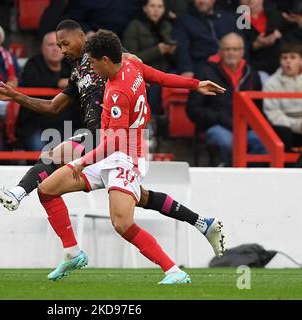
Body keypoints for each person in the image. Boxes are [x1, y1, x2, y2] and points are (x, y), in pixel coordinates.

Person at [0, 20, 226, 259]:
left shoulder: (104, 55)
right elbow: (53, 107)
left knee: (54, 155)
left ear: (81, 37)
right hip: (112, 146)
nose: (62, 50)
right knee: (142, 198)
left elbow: (139, 66)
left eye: (64, 43)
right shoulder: (77, 73)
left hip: (110, 135)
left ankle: (17, 194)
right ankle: (203, 223)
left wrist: (191, 84)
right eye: (58, 45)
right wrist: (17, 96)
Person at [30, 30, 225, 284]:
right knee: (47, 189)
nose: (91, 67)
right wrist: (194, 84)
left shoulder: (117, 93)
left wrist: (81, 161)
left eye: (93, 61)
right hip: (106, 151)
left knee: (122, 223)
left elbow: (117, 141)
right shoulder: (132, 63)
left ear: (106, 60)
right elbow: (160, 77)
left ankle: (174, 271)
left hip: (124, 157)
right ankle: (72, 252)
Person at [187, 33, 266, 166]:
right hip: (217, 126)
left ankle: (249, 177)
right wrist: (220, 117)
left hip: (246, 127)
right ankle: (232, 173)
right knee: (227, 142)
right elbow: (193, 109)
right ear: (220, 52)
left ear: (242, 52)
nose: (231, 53)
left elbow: (258, 107)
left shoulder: (251, 73)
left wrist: (248, 123)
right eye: (227, 49)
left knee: (264, 142)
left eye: (235, 49)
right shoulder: (205, 73)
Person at [19, 31, 74, 151]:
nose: (55, 49)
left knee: (77, 149)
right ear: (43, 48)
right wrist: (58, 83)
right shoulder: (32, 65)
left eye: (59, 45)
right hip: (36, 125)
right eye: (50, 45)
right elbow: (32, 83)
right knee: (39, 150)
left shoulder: (70, 65)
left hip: (66, 126)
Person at [123, 0, 177, 116]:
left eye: (160, 6)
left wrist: (173, 51)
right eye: (152, 6)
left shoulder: (167, 26)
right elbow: (130, 58)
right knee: (154, 88)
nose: (156, 10)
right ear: (145, 8)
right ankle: (150, 121)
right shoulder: (134, 26)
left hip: (166, 71)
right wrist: (158, 50)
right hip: (143, 73)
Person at [263, 43, 302, 152]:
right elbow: (273, 114)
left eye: (293, 57)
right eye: (284, 58)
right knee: (282, 132)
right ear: (280, 61)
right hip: (284, 129)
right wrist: (299, 124)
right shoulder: (270, 83)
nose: (288, 61)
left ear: (301, 61)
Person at [172, 0, 239, 78]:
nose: (201, 1)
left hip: (230, 64)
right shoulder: (184, 20)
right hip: (201, 66)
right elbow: (182, 47)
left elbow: (241, 43)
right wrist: (186, 69)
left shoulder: (228, 19)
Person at [239, 0, 284, 77]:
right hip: (253, 68)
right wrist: (255, 45)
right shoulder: (236, 20)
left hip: (280, 66)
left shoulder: (275, 15)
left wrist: (280, 37)